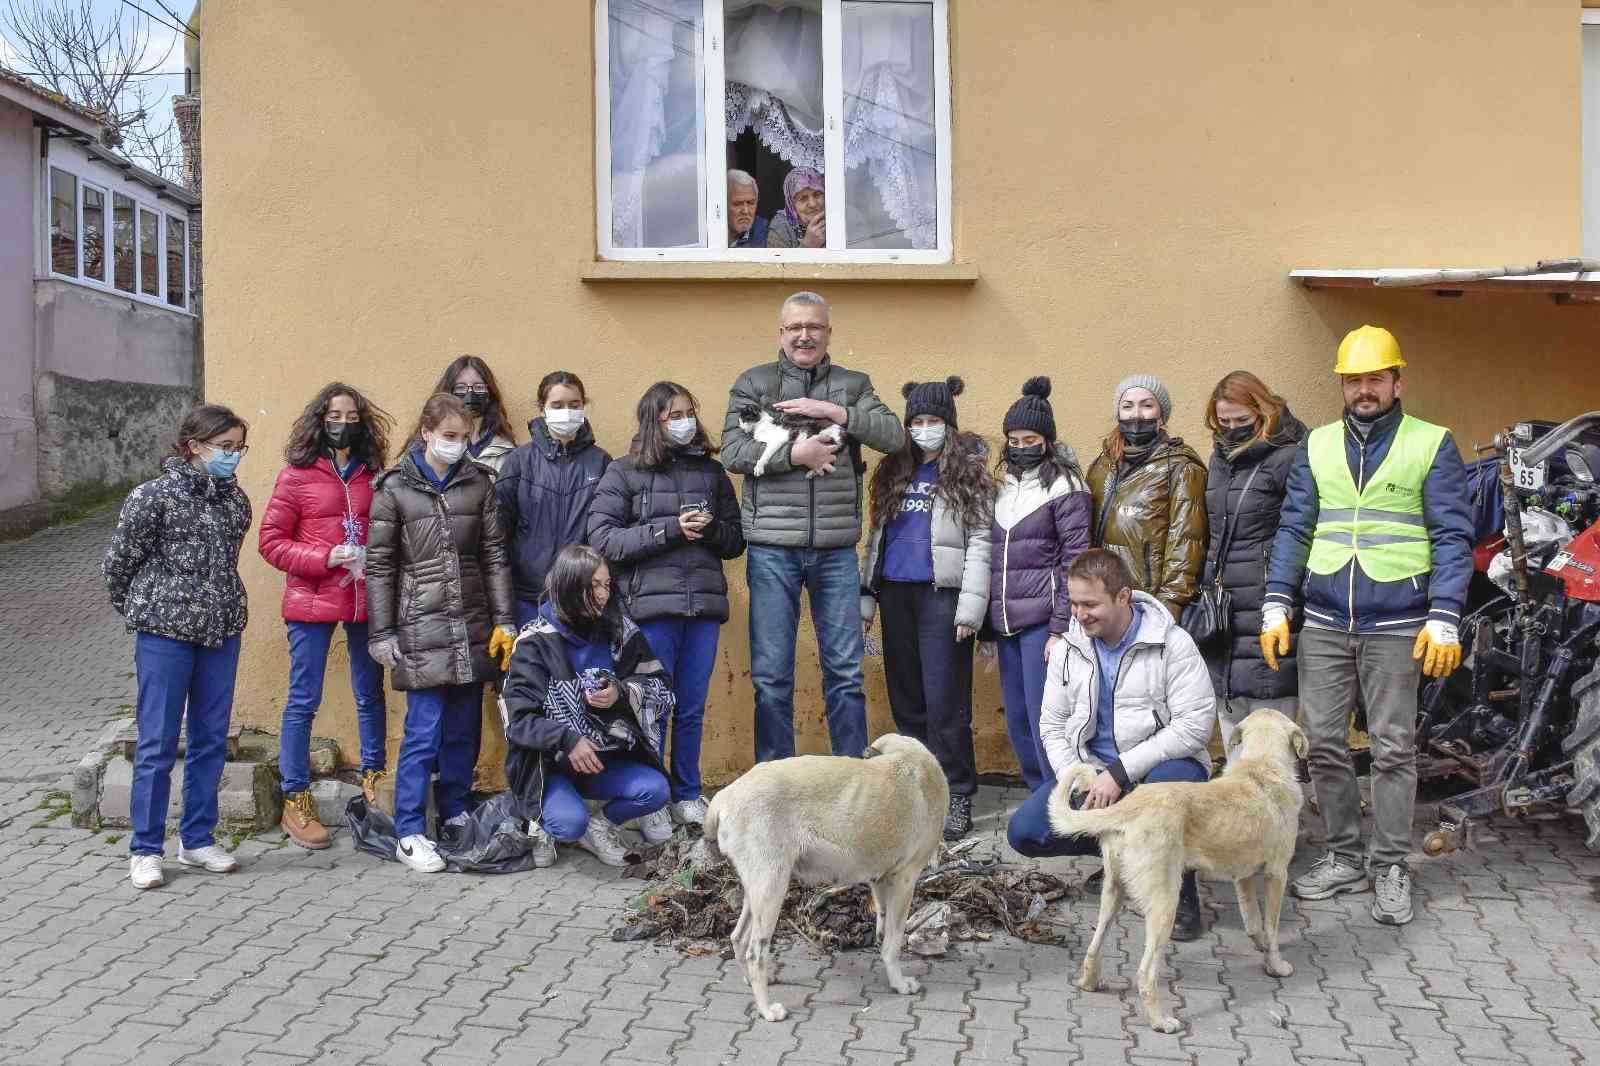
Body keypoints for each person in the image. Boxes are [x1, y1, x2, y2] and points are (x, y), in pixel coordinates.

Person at [1262, 325, 1472, 925]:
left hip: (1399, 621)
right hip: (1326, 618)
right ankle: (1344, 856)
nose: (1363, 390)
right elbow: (1296, 528)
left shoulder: (1431, 443)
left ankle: (1391, 865)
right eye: (1353, 379)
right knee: (1324, 745)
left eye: (1374, 378)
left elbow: (1452, 536)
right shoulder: (1318, 445)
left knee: (1393, 749)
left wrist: (1445, 616)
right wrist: (1278, 603)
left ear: (1397, 382)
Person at [721, 290, 904, 761]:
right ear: (781, 333)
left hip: (836, 549)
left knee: (845, 671)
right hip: (771, 549)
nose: (805, 336)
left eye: (814, 327)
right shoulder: (755, 384)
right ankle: (775, 781)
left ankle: (849, 778)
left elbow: (893, 436)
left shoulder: (853, 384)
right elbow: (733, 453)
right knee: (771, 677)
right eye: (795, 328)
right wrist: (793, 455)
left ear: (828, 332)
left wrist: (836, 413)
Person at [1007, 549, 1216, 941]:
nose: (1080, 614)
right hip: (1094, 772)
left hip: (1160, 769)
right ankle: (1123, 856)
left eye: (1090, 604)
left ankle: (1180, 894)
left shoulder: (1173, 644)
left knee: (1166, 797)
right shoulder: (1070, 646)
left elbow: (1195, 727)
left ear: (1123, 597)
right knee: (1025, 831)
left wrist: (1121, 772)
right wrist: (1077, 776)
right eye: (1073, 602)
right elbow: (1051, 724)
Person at [366, 393, 517, 874]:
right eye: (449, 437)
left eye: (464, 438)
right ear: (426, 433)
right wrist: (382, 631)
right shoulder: (394, 489)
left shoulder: (479, 483)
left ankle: (454, 811)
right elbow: (379, 565)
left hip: (471, 622)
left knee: (463, 729)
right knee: (422, 731)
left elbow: (494, 555)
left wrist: (504, 620)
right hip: (420, 624)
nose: (457, 446)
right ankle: (410, 829)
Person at [104, 404, 253, 890]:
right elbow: (119, 562)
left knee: (211, 739)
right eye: (224, 447)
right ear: (194, 446)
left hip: (221, 631)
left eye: (238, 448)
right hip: (165, 635)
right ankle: (146, 849)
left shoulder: (236, 501)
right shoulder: (152, 496)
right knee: (157, 743)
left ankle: (197, 839)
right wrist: (145, 608)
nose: (232, 457)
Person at [587, 381, 745, 833]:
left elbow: (735, 541)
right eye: (673, 414)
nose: (685, 421)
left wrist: (711, 530)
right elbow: (604, 541)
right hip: (650, 611)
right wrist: (669, 529)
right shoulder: (623, 472)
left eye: (688, 411)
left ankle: (687, 792)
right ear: (653, 421)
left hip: (703, 610)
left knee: (691, 706)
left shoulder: (712, 474)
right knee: (648, 706)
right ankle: (651, 797)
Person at [258, 382, 394, 849]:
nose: (344, 424)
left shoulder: (374, 475)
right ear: (319, 420)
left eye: (353, 417)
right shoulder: (295, 476)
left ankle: (375, 775)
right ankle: (296, 796)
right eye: (335, 415)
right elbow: (271, 543)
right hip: (313, 599)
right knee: (303, 698)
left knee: (369, 691)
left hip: (363, 598)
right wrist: (324, 557)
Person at [861, 376, 994, 840]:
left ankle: (956, 791)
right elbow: (875, 538)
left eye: (933, 420)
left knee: (945, 703)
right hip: (896, 594)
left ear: (949, 424)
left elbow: (981, 542)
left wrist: (970, 610)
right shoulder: (891, 471)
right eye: (916, 420)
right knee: (907, 699)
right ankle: (918, 787)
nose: (924, 428)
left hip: (944, 597)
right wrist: (866, 596)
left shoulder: (969, 472)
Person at [502, 545, 675, 868]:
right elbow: (519, 721)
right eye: (593, 585)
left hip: (603, 761)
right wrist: (567, 740)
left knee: (656, 790)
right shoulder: (534, 642)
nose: (602, 595)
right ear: (568, 586)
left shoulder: (620, 632)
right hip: (550, 765)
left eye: (607, 585)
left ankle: (601, 826)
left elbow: (662, 687)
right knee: (568, 824)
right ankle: (542, 820)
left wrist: (620, 693)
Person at [987, 376, 1091, 792]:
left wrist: (1060, 627)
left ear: (1046, 441)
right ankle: (1037, 796)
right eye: (1013, 439)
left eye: (1030, 438)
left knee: (1046, 718)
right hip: (1005, 624)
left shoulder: (1066, 486)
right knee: (1017, 718)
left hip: (1043, 625)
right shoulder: (999, 488)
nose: (1020, 446)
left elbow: (1076, 560)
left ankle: (1059, 797)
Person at [1198, 371, 1307, 745]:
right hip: (1225, 610)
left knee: (1272, 740)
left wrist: (1283, 600)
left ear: (1263, 411)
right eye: (1223, 422)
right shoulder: (1220, 459)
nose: (1231, 429)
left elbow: (1299, 530)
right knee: (1233, 735)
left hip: (1267, 603)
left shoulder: (1289, 456)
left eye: (1241, 421)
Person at [1087, 375, 1208, 620]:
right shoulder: (1103, 465)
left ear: (1161, 415)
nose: (1136, 415)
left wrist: (1169, 605)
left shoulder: (1180, 466)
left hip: (1148, 604)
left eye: (1147, 405)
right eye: (1127, 406)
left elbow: (1186, 541)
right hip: (1103, 599)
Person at [497, 371, 612, 627]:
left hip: (580, 594)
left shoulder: (601, 462)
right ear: (542, 408)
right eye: (557, 405)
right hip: (526, 595)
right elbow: (500, 528)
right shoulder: (520, 460)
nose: (567, 412)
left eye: (574, 405)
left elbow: (605, 530)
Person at [414, 355, 518, 472]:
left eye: (478, 387)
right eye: (460, 387)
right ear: (449, 391)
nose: (470, 394)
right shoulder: (428, 448)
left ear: (490, 393)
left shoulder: (506, 450)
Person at [765, 166, 826, 249]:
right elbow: (777, 261)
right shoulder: (782, 226)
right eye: (803, 198)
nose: (813, 204)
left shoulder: (839, 217)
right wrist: (808, 245)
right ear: (792, 205)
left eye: (817, 194)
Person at [728, 168, 769, 248]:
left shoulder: (767, 233)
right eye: (737, 204)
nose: (745, 211)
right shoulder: (711, 233)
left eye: (751, 203)